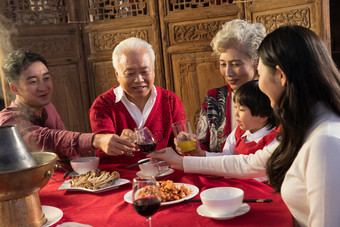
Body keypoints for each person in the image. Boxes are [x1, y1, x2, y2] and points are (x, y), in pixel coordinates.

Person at [151, 26, 340, 226]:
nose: (259, 85)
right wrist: (182, 162)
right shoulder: (308, 124)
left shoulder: (324, 143)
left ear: (281, 76)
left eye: (260, 73)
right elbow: (249, 163)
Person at [0, 50, 134, 163]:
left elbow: (67, 150)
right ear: (15, 88)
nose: (43, 87)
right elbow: (49, 139)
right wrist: (96, 139)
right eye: (33, 82)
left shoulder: (48, 107)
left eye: (46, 78)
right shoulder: (8, 121)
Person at [89, 37, 186, 164]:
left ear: (153, 70)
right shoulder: (103, 105)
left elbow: (181, 149)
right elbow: (103, 155)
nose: (139, 79)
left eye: (145, 71)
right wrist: (117, 145)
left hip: (165, 177)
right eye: (130, 74)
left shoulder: (170, 101)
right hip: (120, 178)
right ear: (117, 75)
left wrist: (183, 146)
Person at [196, 19, 266, 153]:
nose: (228, 73)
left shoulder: (271, 97)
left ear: (256, 62)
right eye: (223, 64)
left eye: (235, 64)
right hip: (214, 172)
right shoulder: (214, 98)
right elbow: (201, 146)